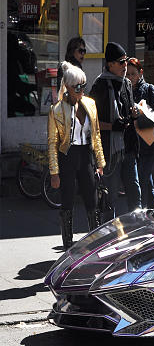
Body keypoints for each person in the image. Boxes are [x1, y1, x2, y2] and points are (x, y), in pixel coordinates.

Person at [48, 61, 106, 249]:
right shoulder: (57, 110)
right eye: (78, 87)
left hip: (85, 153)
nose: (82, 90)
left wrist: (100, 162)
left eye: (84, 85)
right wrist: (54, 172)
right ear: (68, 87)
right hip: (68, 154)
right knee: (67, 199)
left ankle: (96, 243)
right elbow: (52, 143)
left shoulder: (90, 104)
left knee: (92, 198)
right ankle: (67, 243)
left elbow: (96, 135)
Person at [89, 42, 141, 216]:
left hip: (128, 146)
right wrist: (112, 126)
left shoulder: (126, 83)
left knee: (134, 191)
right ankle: (108, 235)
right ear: (110, 64)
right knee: (110, 197)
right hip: (109, 149)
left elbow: (128, 110)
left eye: (126, 60)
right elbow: (92, 121)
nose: (125, 65)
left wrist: (134, 113)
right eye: (121, 62)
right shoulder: (100, 85)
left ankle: (137, 231)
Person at [127, 57, 154, 208]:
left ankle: (144, 216)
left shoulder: (149, 89)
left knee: (142, 180)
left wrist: (141, 112)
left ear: (140, 73)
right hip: (134, 143)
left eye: (133, 74)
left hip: (150, 142)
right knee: (146, 181)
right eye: (128, 74)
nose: (130, 78)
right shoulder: (126, 90)